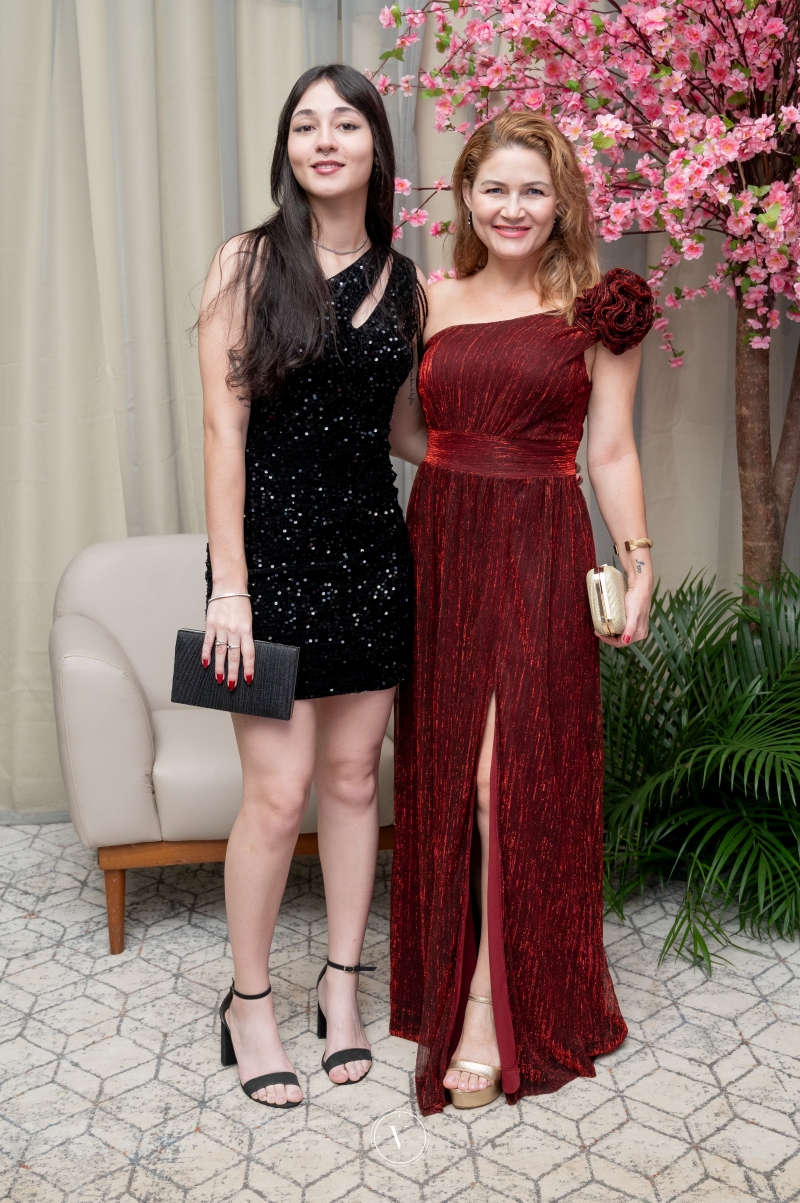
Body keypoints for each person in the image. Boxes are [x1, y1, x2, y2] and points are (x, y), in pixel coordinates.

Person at [387, 112, 655, 1115]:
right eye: (494, 189)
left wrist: (637, 561)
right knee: (448, 769)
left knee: (506, 779)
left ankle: (483, 1012)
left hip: (543, 544)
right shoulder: (427, 297)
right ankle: (452, 971)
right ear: (464, 195)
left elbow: (611, 448)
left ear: (560, 203)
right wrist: (474, 462)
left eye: (532, 191)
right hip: (442, 545)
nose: (512, 208)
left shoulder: (597, 309)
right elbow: (405, 428)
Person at [198, 63, 425, 1108]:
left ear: (377, 147)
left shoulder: (407, 281)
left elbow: (401, 429)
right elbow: (222, 430)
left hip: (372, 557)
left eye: (345, 123)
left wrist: (510, 452)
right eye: (304, 125)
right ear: (286, 149)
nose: (324, 140)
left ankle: (340, 985)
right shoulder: (246, 261)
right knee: (277, 792)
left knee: (351, 781)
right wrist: (229, 589)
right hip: (263, 571)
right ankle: (248, 1002)